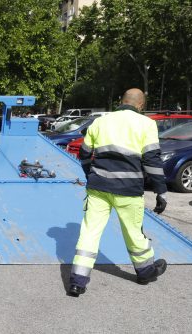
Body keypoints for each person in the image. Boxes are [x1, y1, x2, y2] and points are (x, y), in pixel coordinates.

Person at [68, 88, 168, 297]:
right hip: (128, 191)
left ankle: (77, 281)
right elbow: (152, 160)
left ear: (121, 101)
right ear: (141, 105)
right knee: (133, 232)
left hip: (98, 189)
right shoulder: (146, 124)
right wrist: (161, 191)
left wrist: (91, 175)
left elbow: (84, 154)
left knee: (90, 232)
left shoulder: (100, 122)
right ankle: (145, 272)